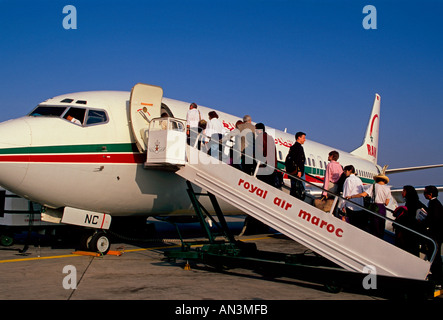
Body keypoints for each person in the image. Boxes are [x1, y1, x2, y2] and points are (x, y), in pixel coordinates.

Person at [346, 172, 391, 238]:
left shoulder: (374, 186)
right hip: (382, 209)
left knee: (373, 226)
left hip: (374, 207)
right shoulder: (388, 189)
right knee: (380, 227)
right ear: (384, 181)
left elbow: (363, 194)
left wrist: (351, 197)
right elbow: (386, 203)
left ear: (377, 179)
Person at [393, 185, 426, 256]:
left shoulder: (410, 203)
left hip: (409, 232)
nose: (402, 193)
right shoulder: (417, 202)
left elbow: (408, 217)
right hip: (414, 232)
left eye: (403, 191)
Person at [422, 185, 443, 287]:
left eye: (425, 193)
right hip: (437, 233)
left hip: (435, 234)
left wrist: (424, 223)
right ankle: (436, 276)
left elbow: (433, 220)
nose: (424, 195)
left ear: (430, 194)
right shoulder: (436, 203)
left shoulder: (434, 204)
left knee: (435, 256)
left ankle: (437, 278)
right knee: (435, 256)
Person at [341, 165, 367, 231]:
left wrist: (343, 205)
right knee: (357, 226)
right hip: (359, 206)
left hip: (350, 206)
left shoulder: (348, 179)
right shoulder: (359, 180)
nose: (344, 172)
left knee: (350, 226)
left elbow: (346, 193)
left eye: (345, 171)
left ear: (349, 171)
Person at [254, 123, 279, 188]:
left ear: (259, 130)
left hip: (263, 167)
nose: (255, 131)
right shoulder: (271, 138)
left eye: (256, 129)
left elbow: (259, 153)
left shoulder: (260, 138)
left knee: (261, 186)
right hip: (272, 167)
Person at [285, 132, 306, 200]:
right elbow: (299, 160)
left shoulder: (293, 147)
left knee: (294, 188)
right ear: (299, 138)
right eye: (303, 138)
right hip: (298, 172)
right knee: (299, 189)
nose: (304, 140)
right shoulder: (299, 147)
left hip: (293, 171)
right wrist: (299, 171)